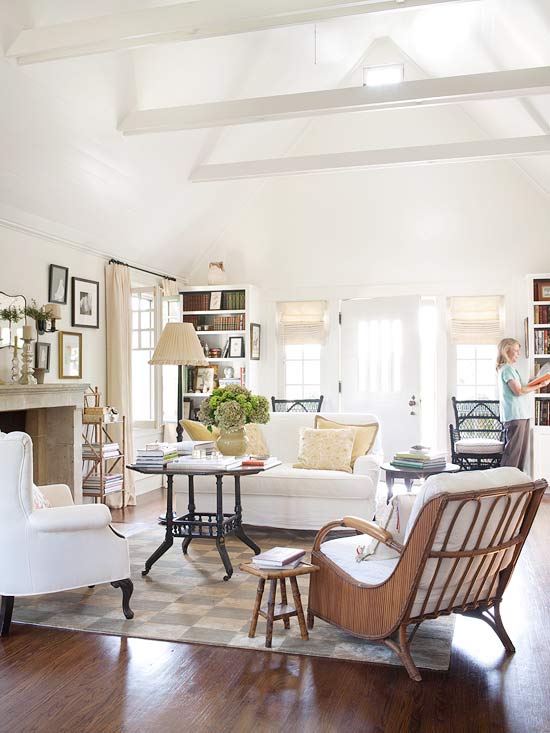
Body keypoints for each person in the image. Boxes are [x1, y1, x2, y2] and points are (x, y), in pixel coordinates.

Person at [496, 338, 550, 469]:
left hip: (521, 414)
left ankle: (517, 485)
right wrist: (539, 385)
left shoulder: (510, 369)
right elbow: (518, 391)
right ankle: (506, 485)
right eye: (516, 351)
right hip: (516, 415)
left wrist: (534, 382)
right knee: (513, 454)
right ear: (506, 351)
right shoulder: (507, 369)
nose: (518, 354)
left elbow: (521, 387)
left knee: (520, 454)